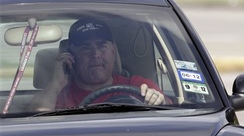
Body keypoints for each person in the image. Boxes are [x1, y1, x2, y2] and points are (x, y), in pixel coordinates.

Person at [28, 18, 168, 111]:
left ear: (113, 51)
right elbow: (34, 121)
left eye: (102, 46)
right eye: (85, 47)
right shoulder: (59, 96)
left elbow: (168, 112)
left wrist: (158, 101)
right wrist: (55, 84)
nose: (96, 54)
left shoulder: (138, 86)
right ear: (71, 55)